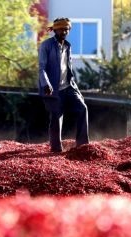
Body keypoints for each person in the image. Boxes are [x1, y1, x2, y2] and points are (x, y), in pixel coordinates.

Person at [38, 17, 90, 152]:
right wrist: (46, 84)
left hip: (68, 86)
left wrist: (76, 90)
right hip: (52, 88)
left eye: (67, 29)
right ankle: (56, 149)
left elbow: (68, 69)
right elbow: (42, 68)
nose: (64, 31)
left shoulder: (68, 46)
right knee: (56, 116)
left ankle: (82, 145)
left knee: (82, 108)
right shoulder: (46, 45)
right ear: (55, 30)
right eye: (61, 29)